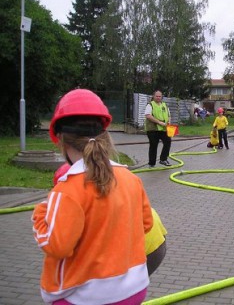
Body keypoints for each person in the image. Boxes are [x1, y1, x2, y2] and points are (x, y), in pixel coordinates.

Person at [33, 89, 153, 304]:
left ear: (61, 139)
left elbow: (57, 245)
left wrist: (41, 214)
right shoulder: (130, 178)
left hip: (85, 296)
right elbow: (146, 224)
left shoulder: (67, 190)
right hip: (135, 289)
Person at [53, 163, 167, 277]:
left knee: (121, 286)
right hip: (156, 238)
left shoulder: (92, 207)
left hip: (148, 247)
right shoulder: (107, 189)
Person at [145, 90, 172, 167]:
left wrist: (169, 122)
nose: (158, 98)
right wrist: (159, 122)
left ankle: (163, 159)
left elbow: (169, 115)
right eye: (156, 96)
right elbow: (148, 116)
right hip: (153, 129)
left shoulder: (165, 105)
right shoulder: (150, 105)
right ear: (153, 96)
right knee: (153, 145)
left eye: (159, 96)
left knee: (168, 142)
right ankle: (152, 163)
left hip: (163, 129)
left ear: (162, 97)